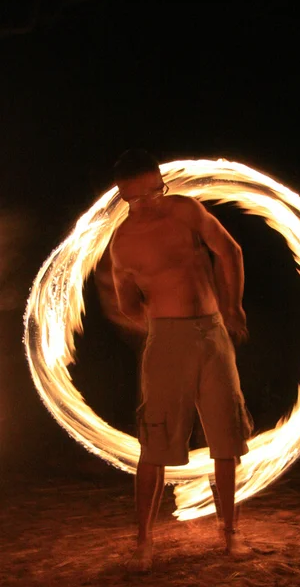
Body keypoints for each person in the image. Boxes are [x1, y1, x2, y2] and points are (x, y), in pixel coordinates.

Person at [109, 148, 253, 570]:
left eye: (157, 191)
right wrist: (161, 323)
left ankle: (230, 534)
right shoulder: (123, 243)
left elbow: (231, 252)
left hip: (212, 334)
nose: (152, 202)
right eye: (141, 198)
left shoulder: (186, 211)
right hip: (167, 343)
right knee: (155, 443)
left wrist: (233, 307)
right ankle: (143, 543)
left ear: (160, 181)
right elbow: (127, 305)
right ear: (124, 196)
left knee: (227, 439)